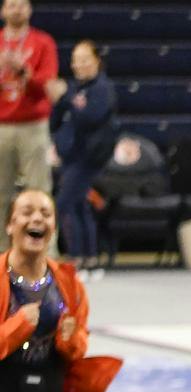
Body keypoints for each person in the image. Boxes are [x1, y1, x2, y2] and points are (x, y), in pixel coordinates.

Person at [0, 189, 118, 392]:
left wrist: (70, 339)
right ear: (10, 225)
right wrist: (18, 326)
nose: (36, 218)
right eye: (27, 212)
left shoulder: (68, 284)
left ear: (54, 226)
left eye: (45, 213)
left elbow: (79, 349)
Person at [49, 38, 112, 271]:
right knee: (79, 205)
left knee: (64, 203)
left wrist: (66, 98)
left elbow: (91, 117)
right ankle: (88, 257)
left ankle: (76, 255)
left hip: (88, 158)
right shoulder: (75, 88)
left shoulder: (102, 89)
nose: (80, 65)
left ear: (97, 61)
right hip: (70, 156)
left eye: (85, 59)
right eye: (76, 60)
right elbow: (56, 119)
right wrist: (60, 101)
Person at [0, 0, 60, 224]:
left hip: (33, 125)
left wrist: (24, 72)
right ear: (3, 11)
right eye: (11, 5)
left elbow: (47, 87)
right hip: (1, 126)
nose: (16, 10)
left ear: (30, 10)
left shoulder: (43, 42)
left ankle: (44, 245)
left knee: (39, 193)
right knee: (0, 194)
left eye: (21, 5)